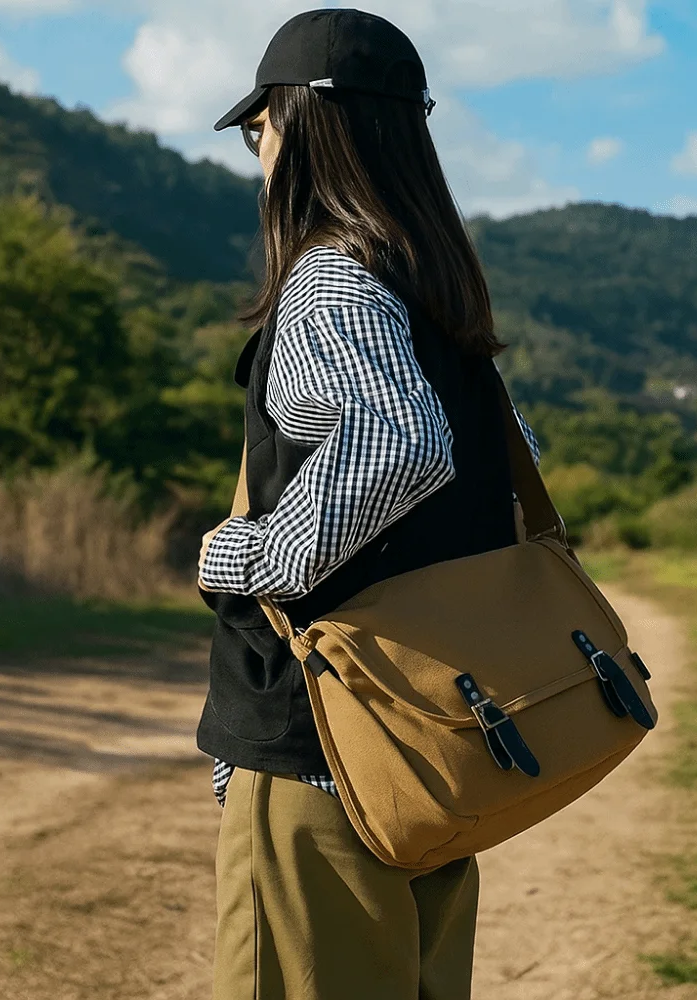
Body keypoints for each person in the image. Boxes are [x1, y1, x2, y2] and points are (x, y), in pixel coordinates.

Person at [196, 9, 542, 999]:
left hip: (325, 751)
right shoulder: (439, 297)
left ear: (297, 125)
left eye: (257, 128)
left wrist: (245, 554)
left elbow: (398, 444)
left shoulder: (332, 280)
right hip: (427, 754)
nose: (256, 151)